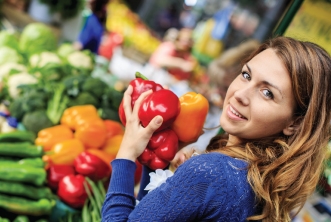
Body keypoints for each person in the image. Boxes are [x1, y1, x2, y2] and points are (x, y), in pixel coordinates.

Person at [101, 37, 331, 221]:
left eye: (267, 93)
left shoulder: (212, 172)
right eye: (246, 75)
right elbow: (147, 214)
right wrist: (157, 163)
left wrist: (126, 155)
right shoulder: (262, 183)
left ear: (295, 123)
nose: (240, 94)